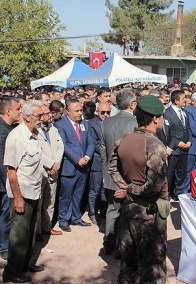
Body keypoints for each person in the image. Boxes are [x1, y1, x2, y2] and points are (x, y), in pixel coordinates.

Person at [108, 95, 169, 284]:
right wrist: (131, 189)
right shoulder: (155, 145)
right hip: (148, 213)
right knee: (152, 266)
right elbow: (154, 186)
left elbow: (112, 168)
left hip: (128, 211)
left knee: (128, 262)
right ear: (155, 119)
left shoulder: (125, 139)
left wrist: (125, 187)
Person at [2, 100, 46, 283]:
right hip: (22, 193)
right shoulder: (16, 136)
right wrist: (18, 198)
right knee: (19, 235)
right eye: (39, 116)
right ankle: (12, 272)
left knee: (29, 232)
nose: (43, 119)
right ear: (28, 117)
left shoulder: (34, 133)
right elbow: (11, 171)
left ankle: (25, 264)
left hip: (34, 191)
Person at [100, 88, 138, 256]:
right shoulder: (134, 122)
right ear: (132, 104)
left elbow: (102, 151)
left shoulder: (106, 122)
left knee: (112, 210)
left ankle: (109, 242)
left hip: (109, 174)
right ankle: (121, 247)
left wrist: (105, 173)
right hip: (128, 177)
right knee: (127, 212)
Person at [0, 97, 21, 260]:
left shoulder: (10, 127)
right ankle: (3, 246)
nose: (20, 112)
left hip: (8, 180)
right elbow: (1, 161)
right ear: (8, 111)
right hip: (2, 182)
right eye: (17, 109)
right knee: (5, 215)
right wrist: (10, 183)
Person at [55, 99, 95, 231]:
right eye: (76, 111)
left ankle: (76, 217)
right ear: (68, 111)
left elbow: (91, 142)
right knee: (66, 195)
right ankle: (64, 220)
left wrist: (87, 157)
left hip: (84, 166)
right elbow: (64, 145)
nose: (80, 113)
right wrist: (77, 159)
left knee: (78, 194)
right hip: (70, 166)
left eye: (81, 110)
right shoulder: (60, 125)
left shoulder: (85, 124)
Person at [36, 103, 63, 237]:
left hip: (54, 171)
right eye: (46, 113)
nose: (49, 115)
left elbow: (60, 147)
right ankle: (37, 230)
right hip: (42, 171)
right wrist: (50, 164)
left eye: (49, 113)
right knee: (39, 203)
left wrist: (56, 163)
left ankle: (47, 226)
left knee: (50, 201)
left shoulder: (53, 129)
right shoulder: (34, 131)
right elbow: (37, 152)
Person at [163, 90, 191, 200]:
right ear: (176, 100)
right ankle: (167, 194)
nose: (185, 100)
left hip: (185, 149)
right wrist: (178, 143)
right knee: (169, 173)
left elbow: (188, 128)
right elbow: (169, 131)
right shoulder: (167, 113)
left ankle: (178, 193)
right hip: (174, 149)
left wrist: (189, 141)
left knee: (182, 173)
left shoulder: (185, 112)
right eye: (183, 98)